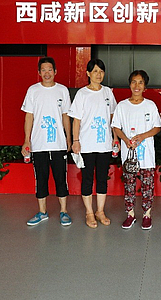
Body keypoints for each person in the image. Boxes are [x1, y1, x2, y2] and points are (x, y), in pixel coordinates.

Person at [21, 57, 72, 226]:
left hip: (58, 144)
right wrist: (26, 140)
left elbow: (66, 116)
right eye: (43, 70)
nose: (47, 73)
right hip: (39, 144)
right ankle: (42, 212)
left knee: (60, 178)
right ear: (39, 72)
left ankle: (64, 211)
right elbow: (29, 116)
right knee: (41, 179)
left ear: (55, 71)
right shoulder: (33, 90)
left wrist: (69, 138)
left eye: (50, 69)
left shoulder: (62, 90)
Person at [68, 58, 117, 229]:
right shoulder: (82, 94)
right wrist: (75, 141)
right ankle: (89, 212)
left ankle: (100, 211)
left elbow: (113, 118)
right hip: (87, 144)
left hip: (104, 144)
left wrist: (115, 137)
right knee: (87, 179)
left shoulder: (108, 92)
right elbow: (76, 120)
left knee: (102, 178)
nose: (98, 74)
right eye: (95, 71)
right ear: (88, 73)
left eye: (101, 71)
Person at [111, 70, 161, 230]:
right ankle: (130, 214)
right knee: (129, 185)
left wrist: (142, 136)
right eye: (134, 82)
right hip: (129, 156)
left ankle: (147, 215)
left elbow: (157, 127)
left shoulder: (150, 105)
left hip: (147, 155)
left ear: (145, 86)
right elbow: (116, 127)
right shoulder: (122, 106)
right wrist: (125, 139)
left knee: (147, 186)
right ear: (129, 84)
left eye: (140, 82)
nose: (137, 85)